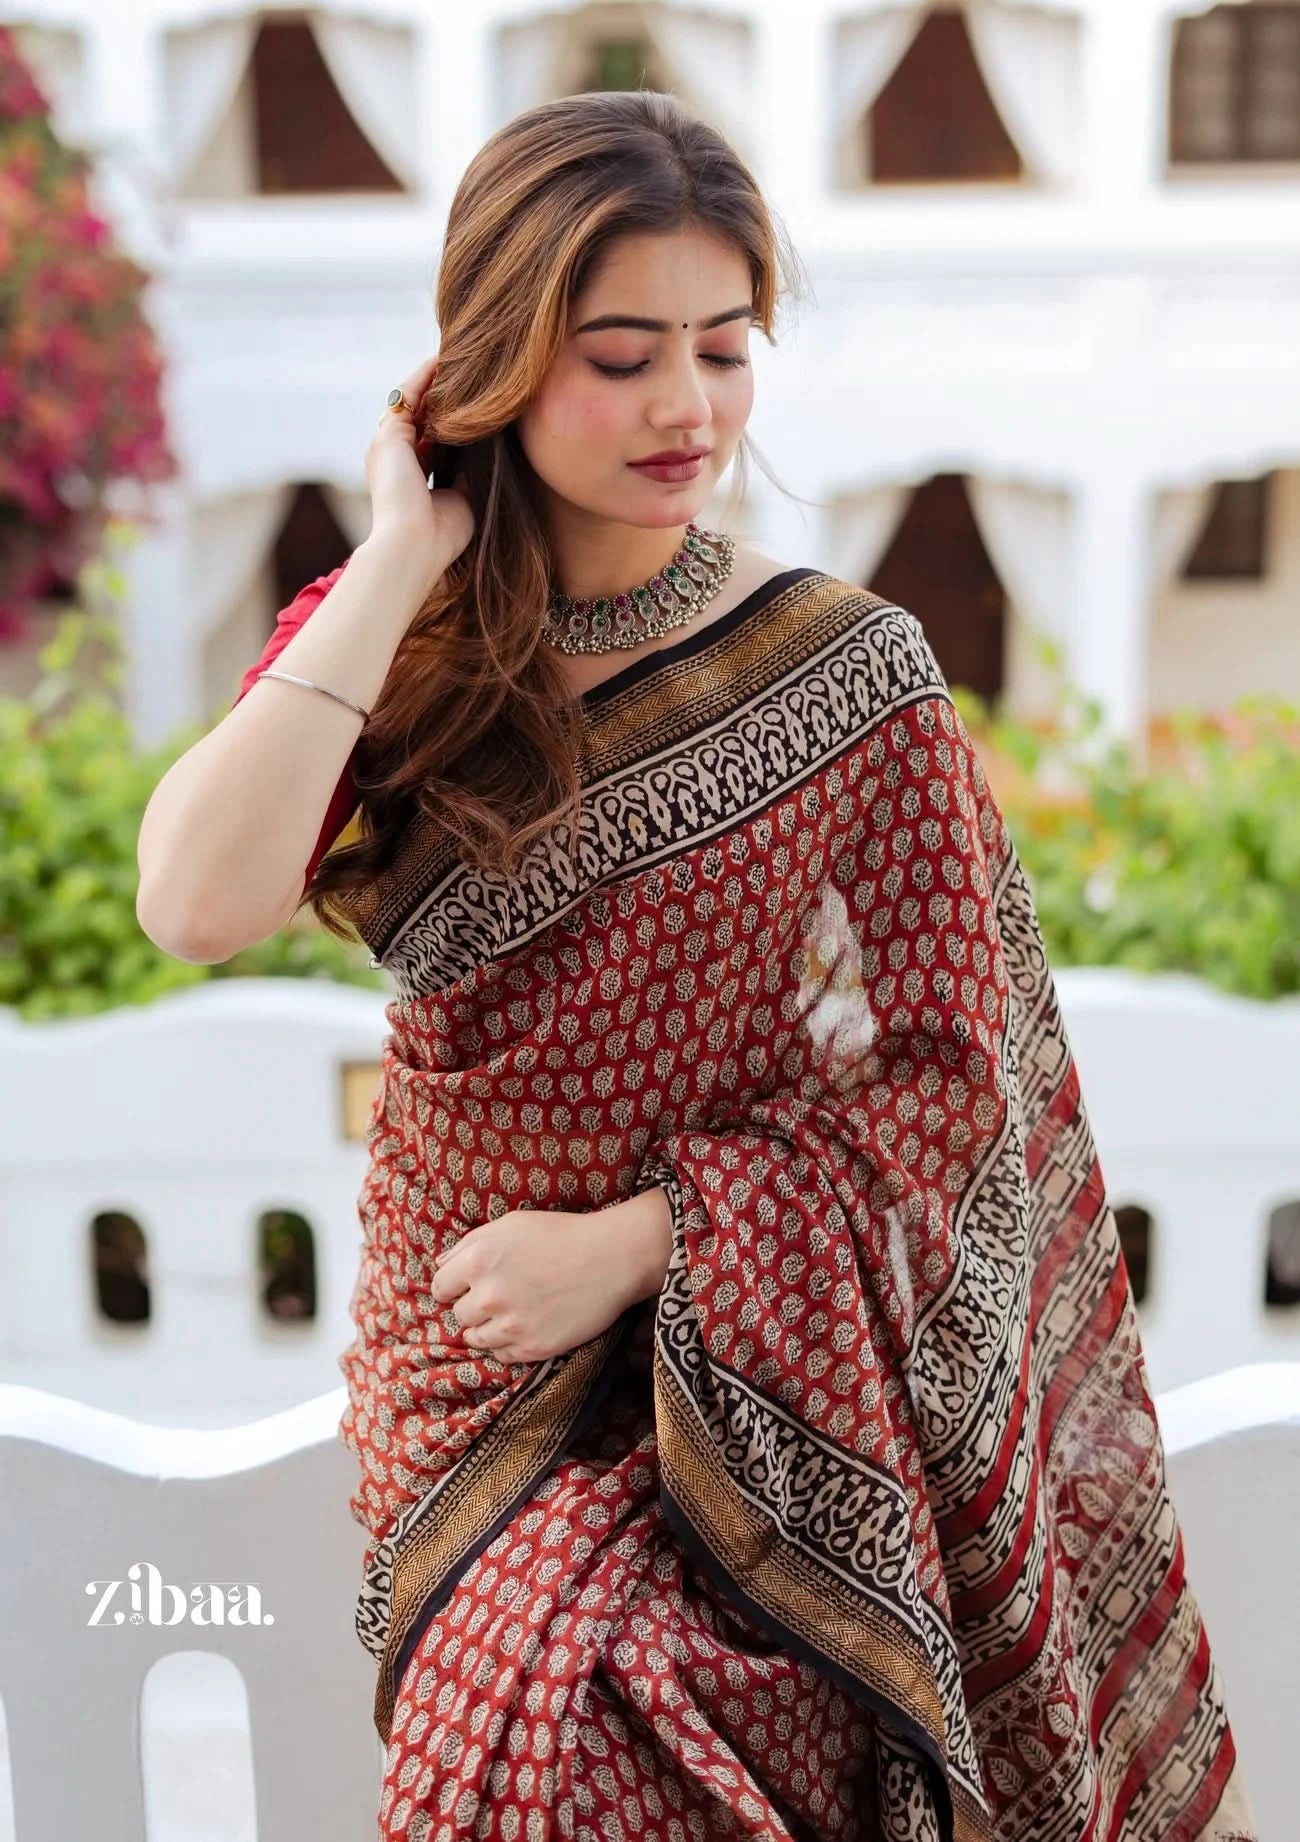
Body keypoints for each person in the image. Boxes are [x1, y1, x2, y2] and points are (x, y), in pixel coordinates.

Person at [139, 89, 1257, 1842]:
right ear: (492, 362)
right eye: (619, 354)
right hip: (466, 1372)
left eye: (725, 351)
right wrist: (396, 553)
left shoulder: (849, 677)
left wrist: (644, 1243)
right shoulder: (403, 659)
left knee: (627, 1702)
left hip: (754, 1391)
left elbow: (959, 1092)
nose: (688, 407)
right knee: (543, 1682)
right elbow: (193, 903)